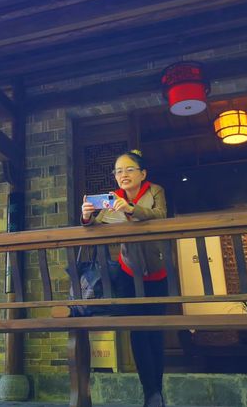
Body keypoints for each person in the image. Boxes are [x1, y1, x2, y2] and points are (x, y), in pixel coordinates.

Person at [81, 150, 168, 407]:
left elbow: (160, 215)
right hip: (128, 272)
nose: (123, 175)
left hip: (158, 272)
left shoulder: (155, 191)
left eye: (129, 169)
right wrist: (87, 216)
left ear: (142, 173)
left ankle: (157, 391)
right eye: (118, 171)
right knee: (138, 332)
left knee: (156, 332)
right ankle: (150, 393)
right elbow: (96, 226)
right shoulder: (113, 198)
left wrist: (131, 209)